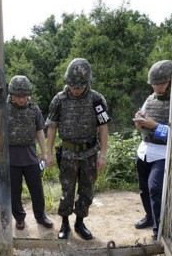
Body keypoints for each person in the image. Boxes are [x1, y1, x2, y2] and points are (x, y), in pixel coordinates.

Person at [45, 58, 110, 240]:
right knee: (67, 190)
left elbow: (103, 127)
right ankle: (65, 223)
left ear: (87, 83)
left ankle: (80, 222)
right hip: (67, 154)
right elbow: (51, 127)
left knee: (87, 189)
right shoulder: (59, 99)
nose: (77, 89)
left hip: (89, 153)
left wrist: (103, 154)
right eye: (73, 86)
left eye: (81, 87)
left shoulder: (97, 99)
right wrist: (48, 153)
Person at [0, 75, 54, 231]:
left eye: (24, 96)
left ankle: (41, 216)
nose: (21, 99)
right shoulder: (2, 109)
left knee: (36, 189)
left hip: (30, 156)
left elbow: (40, 131)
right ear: (11, 94)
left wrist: (44, 153)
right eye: (18, 96)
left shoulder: (34, 109)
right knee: (14, 192)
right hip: (11, 158)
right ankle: (19, 218)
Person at [133, 60, 172, 241]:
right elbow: (140, 124)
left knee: (155, 189)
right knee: (144, 189)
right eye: (154, 83)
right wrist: (140, 122)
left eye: (161, 83)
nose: (157, 87)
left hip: (163, 153)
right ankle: (150, 217)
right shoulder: (149, 99)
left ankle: (158, 230)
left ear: (170, 81)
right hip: (145, 150)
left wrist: (154, 125)